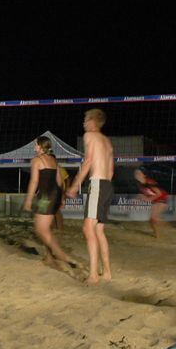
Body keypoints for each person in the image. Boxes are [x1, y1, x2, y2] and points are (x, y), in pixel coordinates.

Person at [66, 108, 115, 285]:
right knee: (99, 230)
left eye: (86, 119)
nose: (83, 122)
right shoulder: (107, 141)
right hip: (108, 185)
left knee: (88, 228)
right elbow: (111, 169)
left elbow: (88, 162)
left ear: (93, 121)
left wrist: (74, 185)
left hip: (98, 183)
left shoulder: (90, 136)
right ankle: (107, 273)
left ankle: (94, 275)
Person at [23, 136, 75, 266]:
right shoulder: (53, 159)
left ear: (40, 146)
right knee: (46, 229)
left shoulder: (36, 160)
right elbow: (59, 181)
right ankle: (49, 257)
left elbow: (34, 181)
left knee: (41, 230)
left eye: (36, 144)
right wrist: (61, 198)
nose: (34, 146)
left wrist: (28, 200)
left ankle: (61, 255)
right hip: (55, 195)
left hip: (45, 197)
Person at [134, 168, 169, 238]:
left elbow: (159, 193)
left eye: (139, 173)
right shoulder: (140, 185)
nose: (137, 175)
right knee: (151, 220)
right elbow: (142, 194)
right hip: (156, 200)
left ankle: (158, 234)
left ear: (144, 175)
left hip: (162, 198)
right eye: (136, 174)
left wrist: (149, 199)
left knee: (153, 218)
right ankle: (157, 233)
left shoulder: (149, 182)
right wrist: (136, 200)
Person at [53, 164, 70, 230]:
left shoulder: (60, 169)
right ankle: (56, 227)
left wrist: (66, 190)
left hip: (59, 191)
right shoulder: (50, 168)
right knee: (53, 211)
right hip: (53, 191)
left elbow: (67, 179)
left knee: (56, 211)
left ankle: (60, 228)